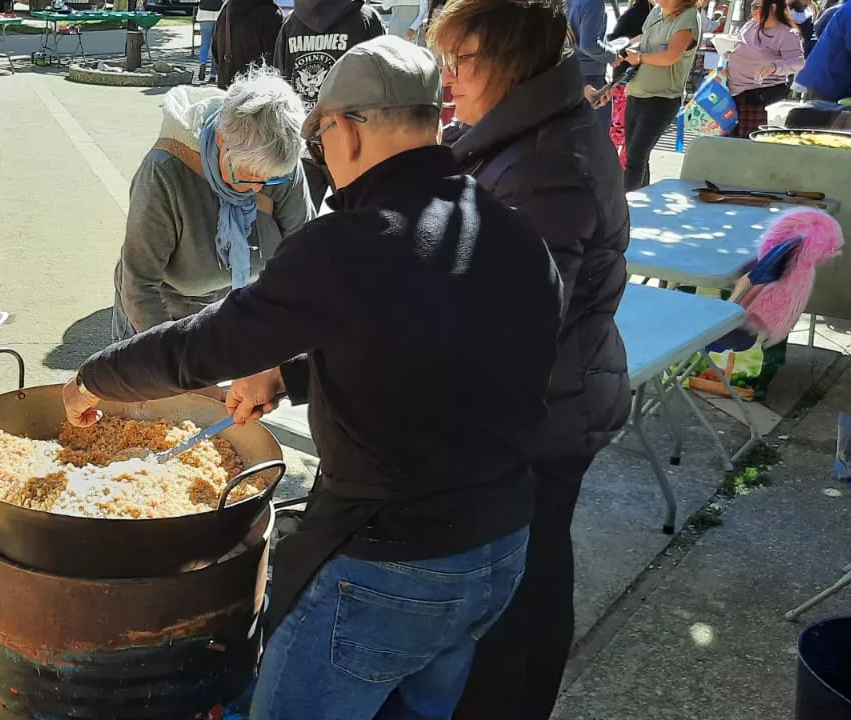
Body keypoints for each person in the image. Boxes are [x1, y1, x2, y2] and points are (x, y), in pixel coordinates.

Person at [64, 36, 565, 720]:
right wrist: (287, 375)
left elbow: (204, 345)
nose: (320, 157)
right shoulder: (511, 230)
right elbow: (435, 343)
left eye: (319, 139)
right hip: (502, 547)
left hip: (388, 566)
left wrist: (94, 379)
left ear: (347, 129)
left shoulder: (350, 243)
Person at [428, 1, 632, 718]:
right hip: (553, 397)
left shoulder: (547, 165)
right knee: (531, 565)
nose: (449, 78)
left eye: (463, 61)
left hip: (543, 411)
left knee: (522, 583)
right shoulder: (528, 133)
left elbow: (513, 323)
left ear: (512, 63)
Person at [112, 68, 311, 342]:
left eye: (271, 179)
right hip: (166, 315)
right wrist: (168, 358)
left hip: (241, 310)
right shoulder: (164, 173)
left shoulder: (280, 166)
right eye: (247, 176)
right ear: (221, 140)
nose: (258, 188)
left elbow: (303, 258)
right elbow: (139, 286)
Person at [274, 0, 385, 206]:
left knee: (299, 219)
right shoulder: (365, 19)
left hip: (305, 139)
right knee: (359, 217)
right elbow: (382, 80)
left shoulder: (291, 24)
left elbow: (281, 83)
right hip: (351, 140)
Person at [619, 0, 703, 190]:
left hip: (662, 99)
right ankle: (639, 199)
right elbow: (645, 39)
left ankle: (627, 202)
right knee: (636, 157)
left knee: (636, 157)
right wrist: (625, 49)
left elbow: (671, 56)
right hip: (636, 93)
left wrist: (639, 57)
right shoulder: (657, 11)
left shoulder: (688, 17)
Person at [727, 0, 807, 137]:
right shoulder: (750, 25)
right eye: (752, 6)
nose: (753, 11)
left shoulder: (787, 33)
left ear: (773, 7)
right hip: (734, 93)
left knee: (751, 142)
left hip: (759, 97)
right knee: (729, 141)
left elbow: (798, 62)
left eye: (756, 7)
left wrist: (775, 67)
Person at [609, 0, 655, 167]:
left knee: (622, 130)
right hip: (628, 79)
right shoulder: (640, 12)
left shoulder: (647, 12)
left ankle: (616, 168)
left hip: (629, 79)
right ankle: (617, 168)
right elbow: (612, 42)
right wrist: (637, 40)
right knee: (623, 130)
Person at [212, 0, 284, 89]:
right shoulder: (271, 14)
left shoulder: (226, 10)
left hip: (227, 88)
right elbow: (278, 61)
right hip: (259, 91)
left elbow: (215, 51)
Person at [569, 0, 617, 130]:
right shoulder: (594, 2)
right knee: (597, 135)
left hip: (571, 75)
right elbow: (589, 45)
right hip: (591, 79)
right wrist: (613, 56)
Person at [199, 0, 222, 84]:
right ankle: (213, 75)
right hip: (218, 15)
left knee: (204, 43)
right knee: (216, 46)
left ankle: (203, 62)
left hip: (203, 15)